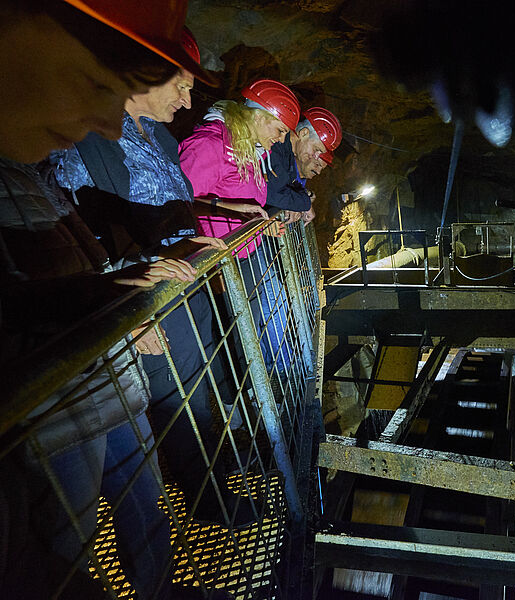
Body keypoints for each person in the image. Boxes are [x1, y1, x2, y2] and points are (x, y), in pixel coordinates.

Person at [0, 1, 226, 598]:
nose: (108, 121)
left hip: (102, 377)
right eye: (96, 83)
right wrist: (99, 295)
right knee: (59, 547)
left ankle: (160, 587)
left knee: (141, 496)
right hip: (53, 405)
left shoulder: (31, 171)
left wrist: (105, 296)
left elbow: (77, 248)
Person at [52, 27, 266, 527]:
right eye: (183, 84)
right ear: (143, 73)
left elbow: (166, 207)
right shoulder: (91, 137)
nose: (189, 98)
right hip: (143, 296)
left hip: (182, 283)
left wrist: (197, 236)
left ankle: (219, 474)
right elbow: (82, 229)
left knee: (202, 381)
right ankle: (207, 501)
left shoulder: (163, 137)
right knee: (173, 398)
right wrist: (124, 314)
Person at [179, 79, 300, 378]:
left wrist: (259, 226)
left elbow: (241, 201)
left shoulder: (249, 150)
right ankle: (232, 397)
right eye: (280, 130)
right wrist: (231, 210)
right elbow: (177, 203)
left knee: (242, 332)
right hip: (210, 263)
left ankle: (244, 390)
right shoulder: (211, 143)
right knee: (222, 336)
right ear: (259, 117)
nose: (282, 140)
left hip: (237, 258)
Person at [264, 106, 342, 226]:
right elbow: (271, 192)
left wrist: (298, 201)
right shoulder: (277, 145)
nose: (316, 157)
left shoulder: (287, 154)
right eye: (316, 149)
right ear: (304, 133)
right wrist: (304, 203)